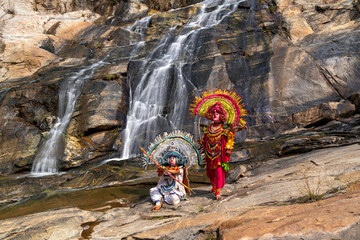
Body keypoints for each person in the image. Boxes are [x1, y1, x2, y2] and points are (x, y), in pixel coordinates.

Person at [190, 89, 247, 200]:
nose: (215, 115)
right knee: (210, 172)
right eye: (213, 113)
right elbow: (207, 137)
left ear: (222, 115)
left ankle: (217, 191)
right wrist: (202, 141)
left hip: (219, 153)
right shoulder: (209, 127)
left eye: (218, 113)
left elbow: (230, 137)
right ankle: (214, 186)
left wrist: (229, 148)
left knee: (218, 171)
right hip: (209, 152)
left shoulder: (225, 128)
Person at [143, 130, 201, 211]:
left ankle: (162, 199)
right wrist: (161, 170)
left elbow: (175, 172)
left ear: (177, 159)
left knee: (173, 199)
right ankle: (158, 202)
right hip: (165, 187)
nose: (171, 160)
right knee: (153, 190)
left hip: (175, 190)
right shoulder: (166, 167)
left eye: (173, 158)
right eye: (170, 158)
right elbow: (160, 175)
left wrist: (166, 170)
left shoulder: (180, 168)